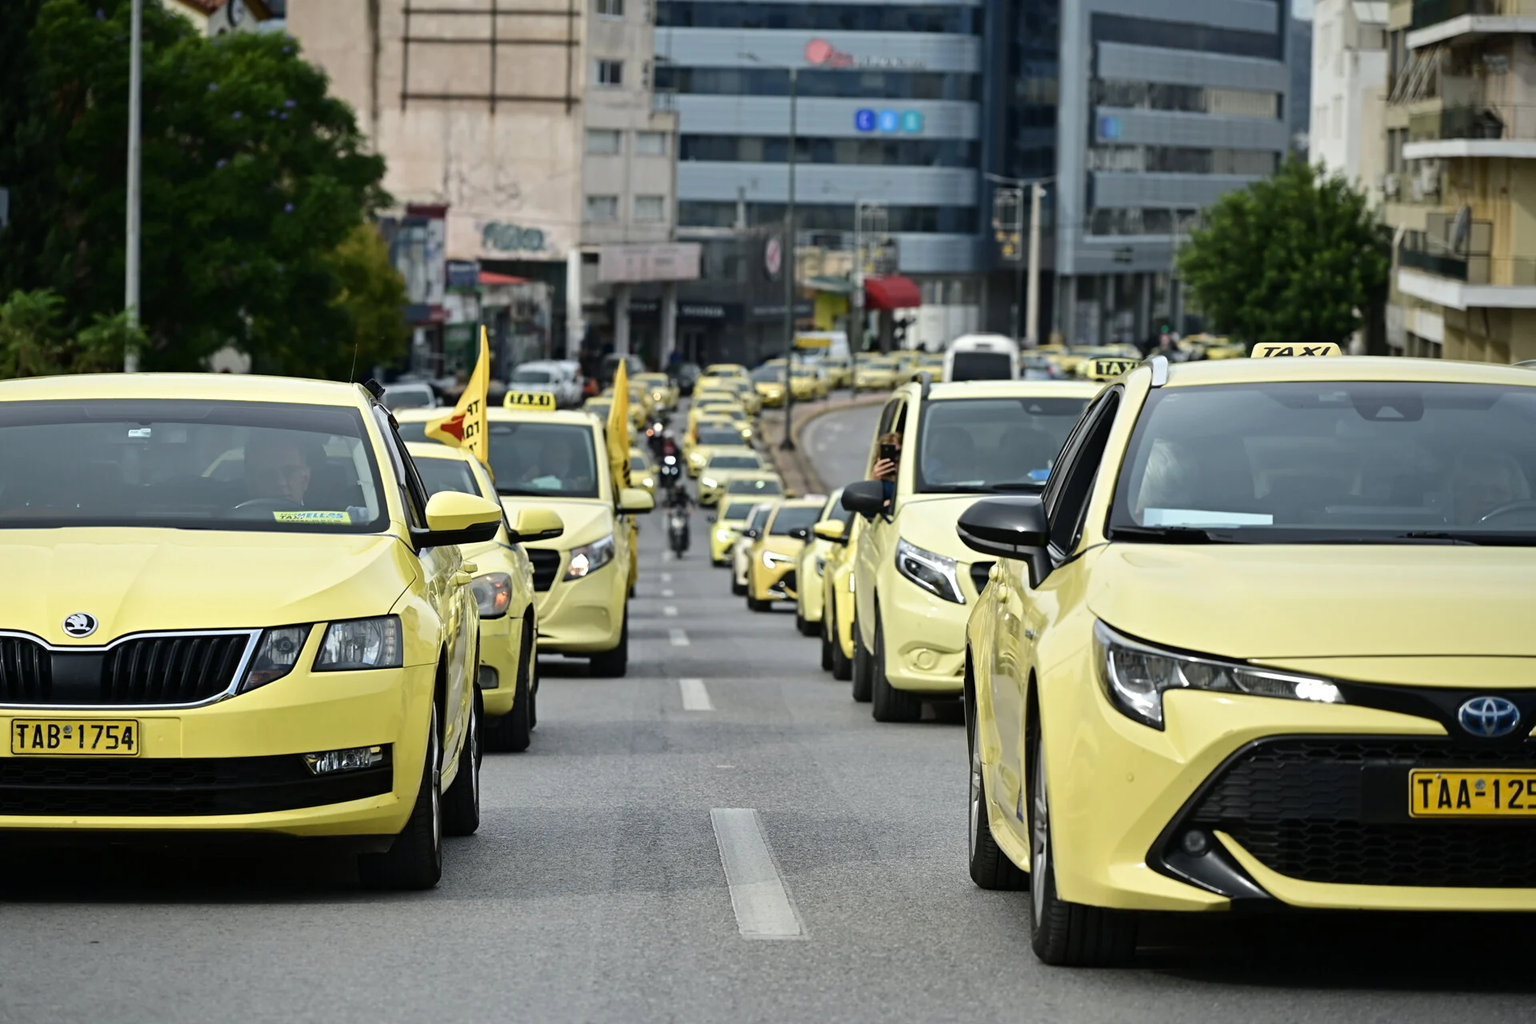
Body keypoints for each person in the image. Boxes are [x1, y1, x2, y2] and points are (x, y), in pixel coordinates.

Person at [243, 433, 311, 505]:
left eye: (290, 472)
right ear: (251, 483)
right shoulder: (234, 515)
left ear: (305, 478)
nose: (281, 483)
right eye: (268, 474)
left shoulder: (322, 513)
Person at [870, 431, 901, 509]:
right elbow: (868, 510)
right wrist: (874, 481)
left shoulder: (921, 476)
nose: (895, 458)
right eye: (890, 454)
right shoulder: (882, 486)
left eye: (898, 453)